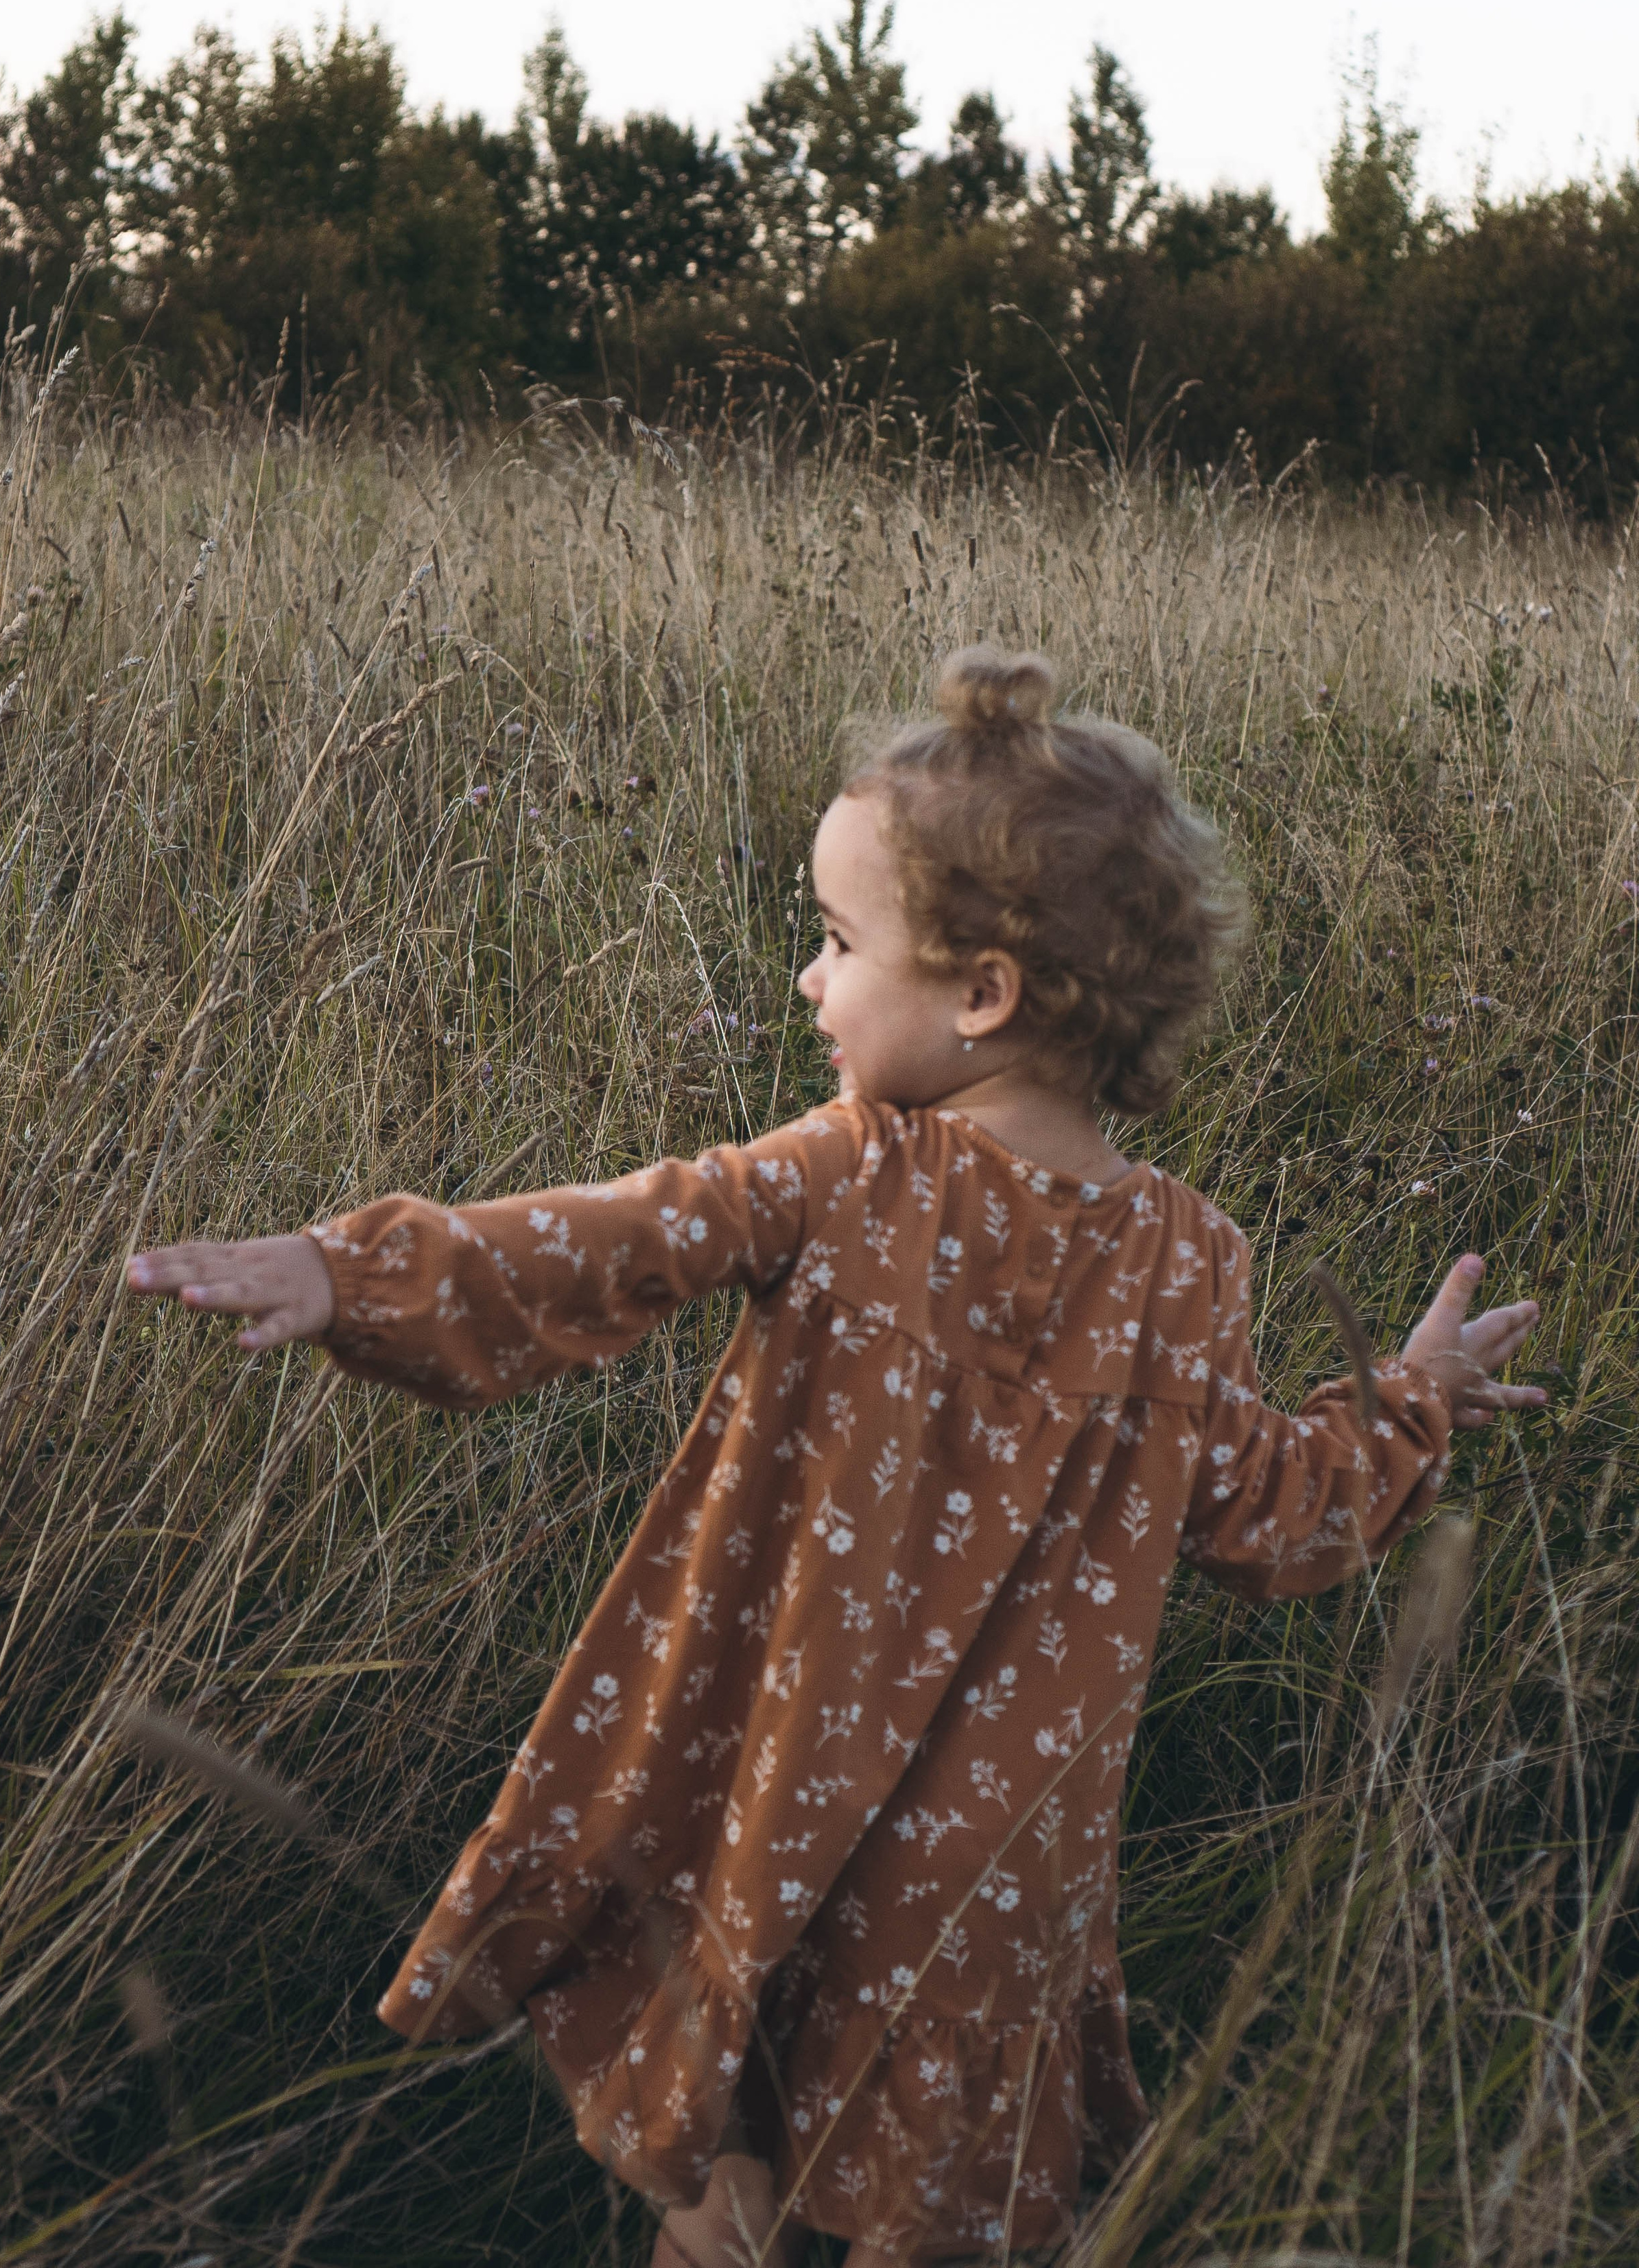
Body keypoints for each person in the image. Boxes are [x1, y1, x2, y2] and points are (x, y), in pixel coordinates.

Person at [128, 647, 1545, 2267]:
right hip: (989, 1883)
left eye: (836, 942)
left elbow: (617, 1237)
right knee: (929, 2205)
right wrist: (1404, 1405)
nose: (810, 981)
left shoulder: (857, 1173)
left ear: (982, 993)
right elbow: (1276, 1517)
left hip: (762, 1791)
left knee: (715, 2177)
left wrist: (355, 1271)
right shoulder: (1185, 1262)